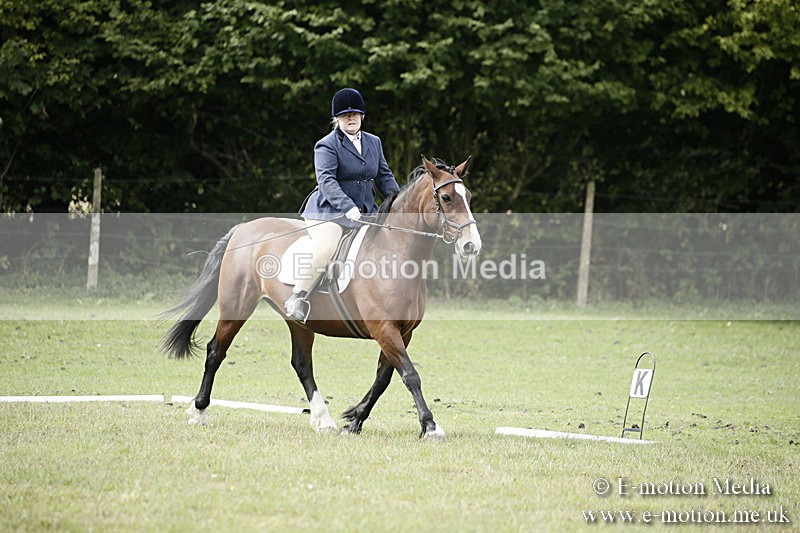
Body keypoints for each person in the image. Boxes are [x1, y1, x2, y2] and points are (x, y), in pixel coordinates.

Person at [284, 87, 401, 322]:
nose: (351, 118)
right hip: (329, 212)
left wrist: (400, 205)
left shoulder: (374, 142)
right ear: (337, 119)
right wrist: (347, 206)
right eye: (345, 115)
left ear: (362, 117)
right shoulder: (326, 145)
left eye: (355, 114)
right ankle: (298, 296)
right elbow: (326, 181)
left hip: (366, 211)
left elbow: (384, 177)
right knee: (327, 246)